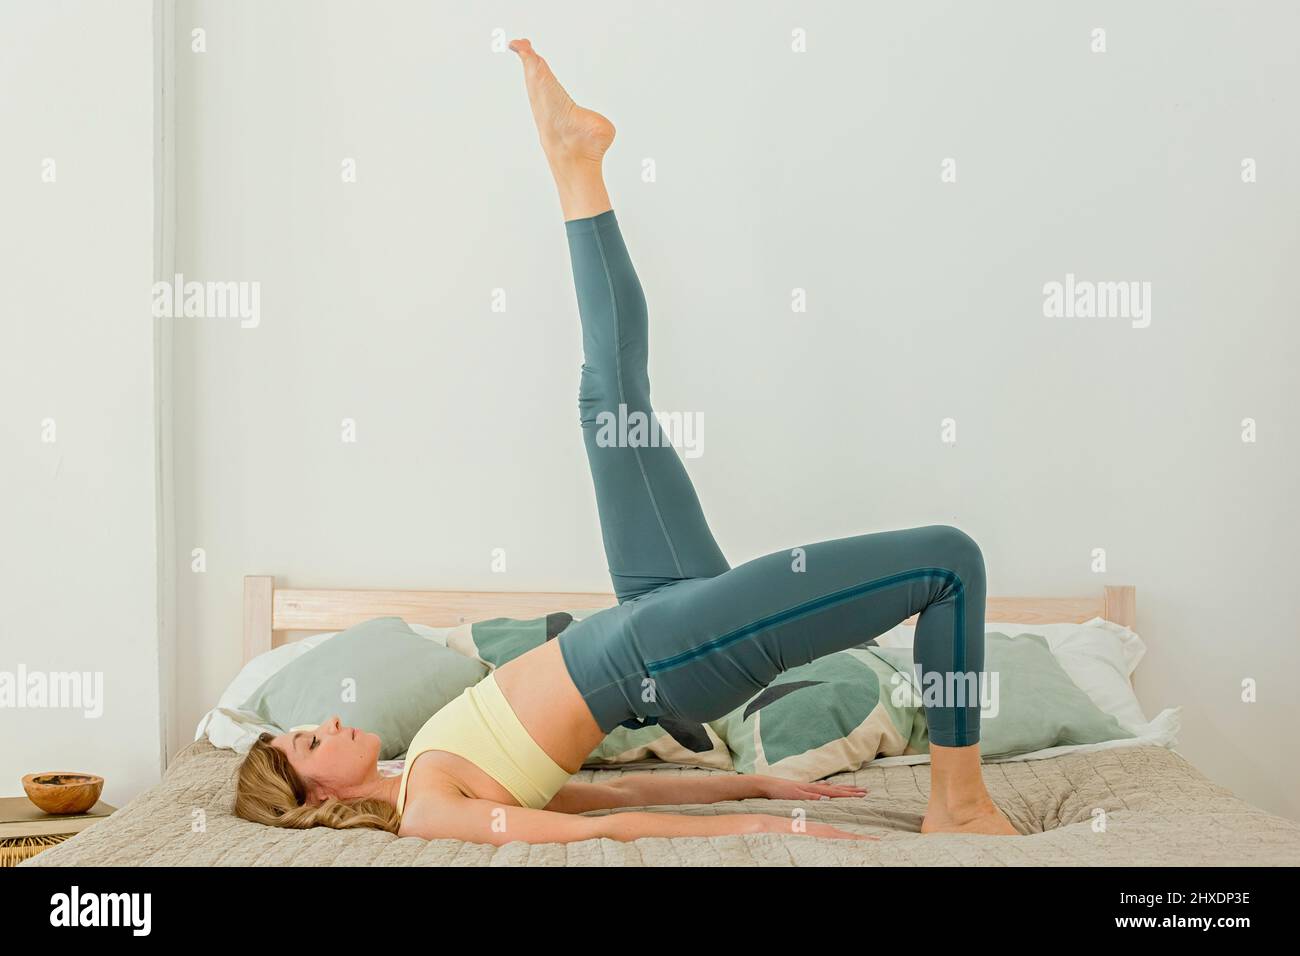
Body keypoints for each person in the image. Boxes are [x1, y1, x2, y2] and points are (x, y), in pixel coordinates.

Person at [234, 38, 1018, 844]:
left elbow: (604, 800)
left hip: (651, 611)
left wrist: (745, 790)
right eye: (308, 742)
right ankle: (956, 804)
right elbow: (590, 839)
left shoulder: (418, 773)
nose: (325, 723)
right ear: (312, 796)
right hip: (666, 654)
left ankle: (576, 162)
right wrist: (766, 835)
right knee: (948, 562)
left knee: (608, 392)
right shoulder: (429, 811)